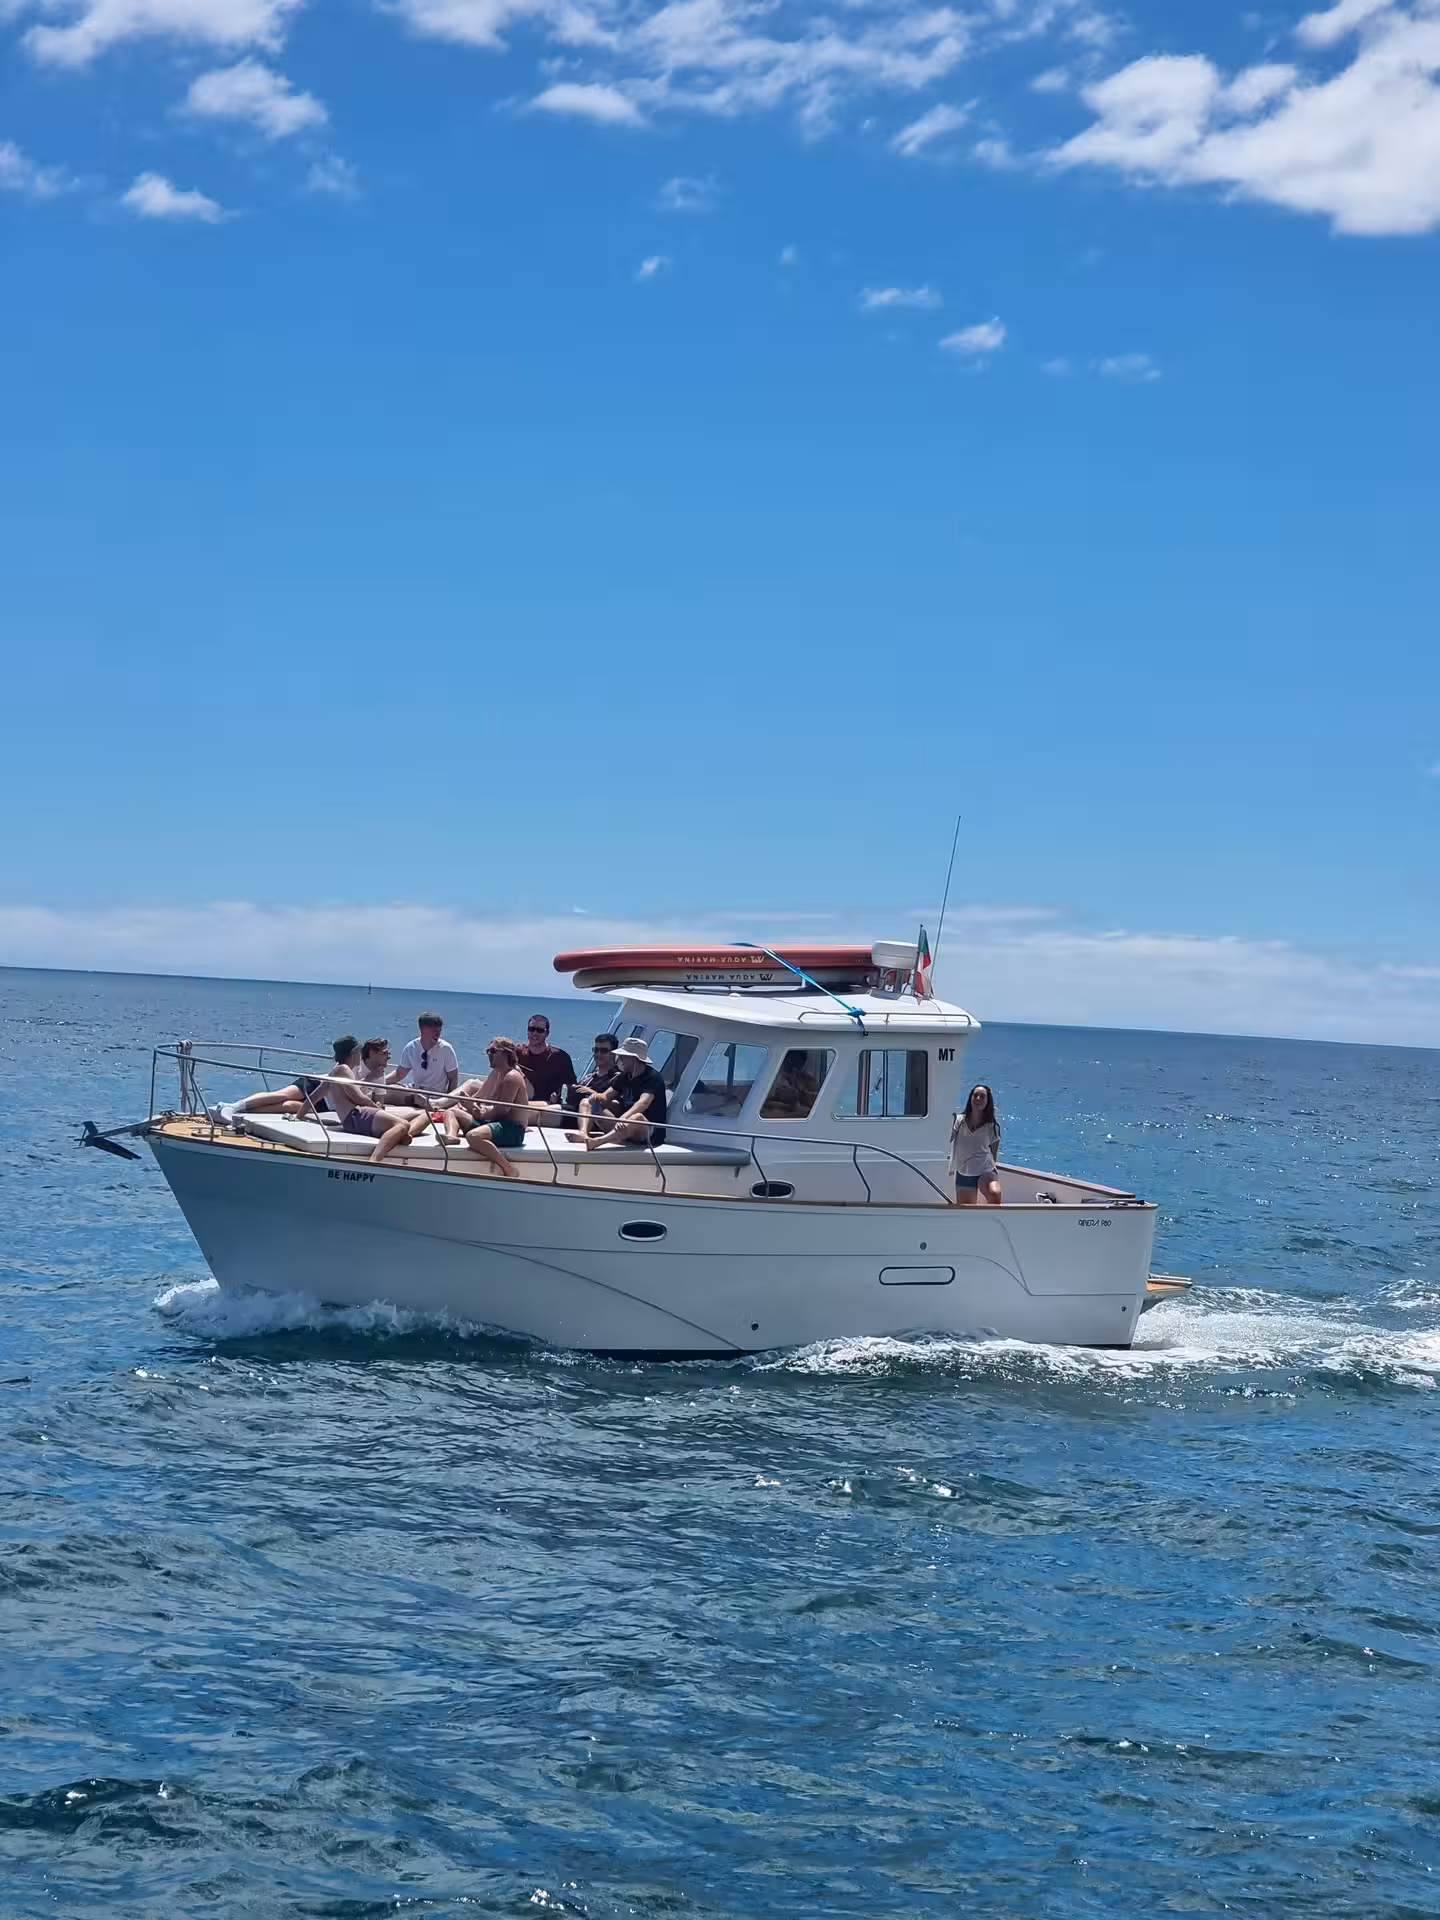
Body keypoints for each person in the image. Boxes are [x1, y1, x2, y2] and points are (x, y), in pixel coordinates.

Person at [322, 1036, 434, 1166]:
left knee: (426, 1116)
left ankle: (399, 1135)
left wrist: (378, 1106)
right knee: (402, 1124)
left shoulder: (379, 1073)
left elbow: (379, 1100)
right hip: (353, 1112)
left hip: (367, 1112)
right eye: (385, 1053)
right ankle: (375, 1159)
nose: (389, 1056)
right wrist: (369, 1080)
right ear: (372, 1054)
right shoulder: (352, 1067)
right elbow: (356, 1097)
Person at [451, 1037, 529, 1177]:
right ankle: (450, 1136)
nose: (489, 1055)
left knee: (473, 1136)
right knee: (453, 1112)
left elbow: (502, 1110)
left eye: (493, 1051)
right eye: (488, 1051)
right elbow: (485, 1099)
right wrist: (470, 1105)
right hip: (498, 1124)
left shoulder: (512, 1076)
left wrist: (480, 1114)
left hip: (513, 1130)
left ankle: (508, 1168)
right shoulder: (499, 1074)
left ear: (505, 1054)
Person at [226, 1036, 351, 1120]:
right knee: (282, 1095)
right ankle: (233, 1106)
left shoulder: (362, 1070)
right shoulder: (350, 1066)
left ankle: (240, 1114)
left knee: (288, 1106)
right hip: (316, 1084)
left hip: (327, 1105)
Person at [576, 1036, 667, 1150]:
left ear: (634, 1059)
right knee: (588, 1103)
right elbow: (606, 1096)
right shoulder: (624, 1076)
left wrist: (624, 1117)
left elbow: (643, 1103)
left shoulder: (652, 1077)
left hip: (647, 1132)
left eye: (624, 1057)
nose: (620, 1059)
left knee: (636, 1117)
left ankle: (598, 1142)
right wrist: (595, 1097)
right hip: (622, 1126)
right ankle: (583, 1133)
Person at [565, 1032, 624, 1144]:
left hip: (599, 1117)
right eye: (596, 1050)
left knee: (588, 1102)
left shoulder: (618, 1078)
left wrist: (593, 1094)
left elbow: (618, 1105)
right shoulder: (590, 1077)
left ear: (614, 1053)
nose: (598, 1054)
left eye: (603, 1051)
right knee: (541, 1108)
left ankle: (583, 1133)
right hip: (576, 1112)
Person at [516, 1015, 577, 1124]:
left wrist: (561, 1098)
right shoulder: (517, 1053)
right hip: (519, 1100)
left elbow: (570, 1087)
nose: (535, 1033)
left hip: (546, 1106)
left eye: (540, 1030)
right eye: (531, 1029)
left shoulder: (559, 1057)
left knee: (515, 1110)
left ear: (547, 1033)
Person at [950, 1084, 1002, 1206]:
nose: (978, 1098)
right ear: (970, 1098)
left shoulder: (992, 1127)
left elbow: (993, 1154)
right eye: (975, 1095)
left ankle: (991, 1224)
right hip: (964, 1172)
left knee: (995, 1194)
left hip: (985, 1171)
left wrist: (993, 1172)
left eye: (982, 1096)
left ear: (987, 1101)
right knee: (966, 1212)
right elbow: (946, 1141)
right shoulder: (959, 1121)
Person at [389, 1013, 459, 1100]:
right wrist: (381, 1082)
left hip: (435, 1095)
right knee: (390, 1089)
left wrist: (447, 1100)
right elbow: (399, 1074)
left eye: (439, 1030)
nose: (438, 1034)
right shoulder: (411, 1047)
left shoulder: (446, 1049)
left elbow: (453, 1077)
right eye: (434, 1031)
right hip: (416, 1091)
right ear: (422, 1030)